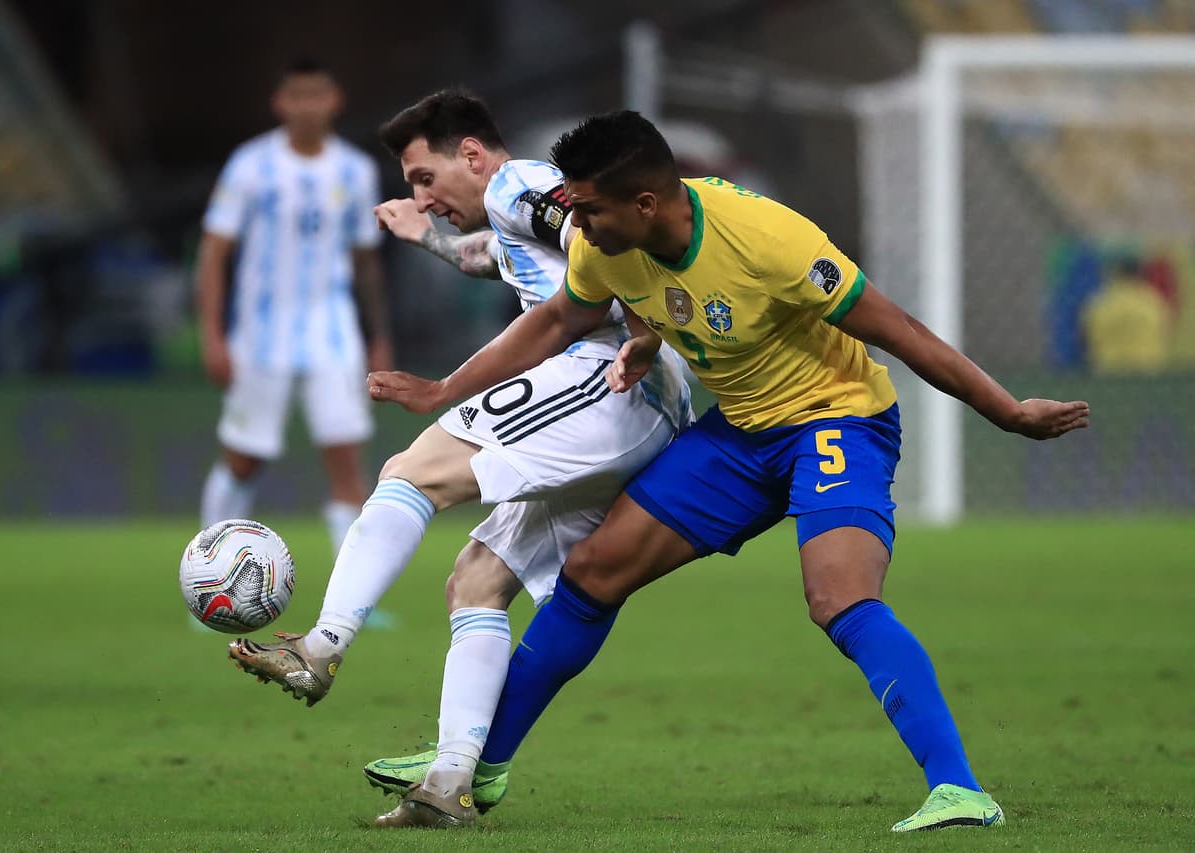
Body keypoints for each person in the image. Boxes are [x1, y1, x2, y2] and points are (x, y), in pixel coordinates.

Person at [367, 111, 1091, 832]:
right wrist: (442, 390)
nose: (574, 226)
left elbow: (898, 329)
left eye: (587, 209)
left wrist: (1006, 410)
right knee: (594, 569)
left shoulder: (766, 237)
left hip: (836, 418)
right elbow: (556, 321)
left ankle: (959, 790)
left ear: (645, 204)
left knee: (838, 596)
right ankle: (476, 769)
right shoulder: (603, 243)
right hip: (743, 432)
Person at [226, 92, 691, 827]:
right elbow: (495, 257)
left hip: (605, 376)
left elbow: (588, 227)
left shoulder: (517, 184)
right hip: (636, 402)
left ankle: (321, 645)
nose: (421, 195)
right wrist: (426, 235)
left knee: (410, 473)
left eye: (422, 177)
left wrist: (638, 324)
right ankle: (448, 784)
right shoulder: (507, 220)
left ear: (472, 155)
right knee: (474, 583)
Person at [196, 59, 392, 557]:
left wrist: (379, 338)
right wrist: (212, 334)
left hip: (333, 331)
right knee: (244, 458)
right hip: (263, 335)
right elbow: (214, 253)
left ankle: (353, 599)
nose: (307, 106)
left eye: (317, 95)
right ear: (280, 103)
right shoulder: (250, 165)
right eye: (297, 96)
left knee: (346, 457)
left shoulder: (356, 170)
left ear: (334, 100)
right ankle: (209, 574)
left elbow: (366, 263)